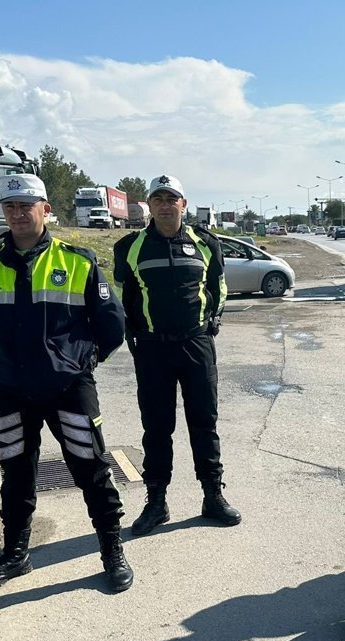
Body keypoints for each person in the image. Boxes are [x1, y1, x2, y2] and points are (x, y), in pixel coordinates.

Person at [0, 173, 133, 593]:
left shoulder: (78, 261)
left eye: (26, 206)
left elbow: (112, 326)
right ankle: (15, 554)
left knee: (91, 469)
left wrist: (82, 362)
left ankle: (112, 551)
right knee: (15, 473)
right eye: (10, 206)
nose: (17, 214)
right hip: (11, 390)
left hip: (68, 389)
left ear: (45, 209)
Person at [113, 174, 241, 535]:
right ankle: (156, 502)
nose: (166, 206)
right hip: (152, 348)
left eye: (172, 199)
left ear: (183, 204)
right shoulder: (131, 247)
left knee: (204, 422)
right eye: (159, 199)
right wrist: (132, 334)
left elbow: (218, 287)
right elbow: (125, 294)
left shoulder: (205, 242)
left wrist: (212, 322)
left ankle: (212, 496)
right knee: (156, 427)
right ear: (149, 205)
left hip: (196, 344)